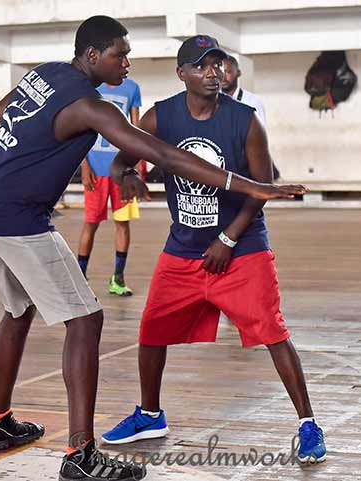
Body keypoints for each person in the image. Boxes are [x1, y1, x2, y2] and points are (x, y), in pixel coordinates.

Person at [0, 16, 306, 481]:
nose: (128, 62)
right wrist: (253, 186)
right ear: (93, 56)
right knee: (86, 320)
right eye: (120, 54)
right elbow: (164, 155)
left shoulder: (41, 75)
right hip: (17, 219)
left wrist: (7, 182)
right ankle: (81, 455)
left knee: (17, 311)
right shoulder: (92, 108)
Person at [100, 35, 326, 465]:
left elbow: (259, 191)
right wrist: (125, 172)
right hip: (184, 248)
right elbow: (121, 156)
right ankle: (150, 415)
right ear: (181, 73)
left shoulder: (245, 121)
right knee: (151, 331)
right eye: (202, 66)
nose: (213, 74)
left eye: (218, 65)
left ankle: (308, 423)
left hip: (241, 248)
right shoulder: (160, 117)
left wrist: (227, 238)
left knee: (274, 333)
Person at [77, 78, 142, 296]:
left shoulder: (132, 88)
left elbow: (136, 130)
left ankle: (118, 279)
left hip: (121, 170)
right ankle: (80, 277)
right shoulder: (91, 88)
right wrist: (84, 165)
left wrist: (136, 168)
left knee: (122, 223)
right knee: (90, 224)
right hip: (95, 172)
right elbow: (79, 130)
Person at [221, 55, 280, 180]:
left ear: (238, 73)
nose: (224, 77)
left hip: (247, 158)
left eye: (229, 72)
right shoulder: (213, 100)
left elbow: (260, 135)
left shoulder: (252, 101)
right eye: (221, 72)